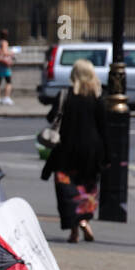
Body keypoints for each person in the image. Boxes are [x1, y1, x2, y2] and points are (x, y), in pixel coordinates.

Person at [41, 59, 108, 243]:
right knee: (87, 190)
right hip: (91, 154)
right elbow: (104, 130)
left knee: (66, 190)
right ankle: (84, 220)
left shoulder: (65, 95)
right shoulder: (97, 99)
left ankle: (74, 230)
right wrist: (108, 156)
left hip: (65, 152)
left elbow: (51, 117)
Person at [0, 29, 14, 105]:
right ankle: (6, 98)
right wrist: (11, 52)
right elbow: (5, 52)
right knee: (8, 82)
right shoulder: (4, 42)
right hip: (4, 65)